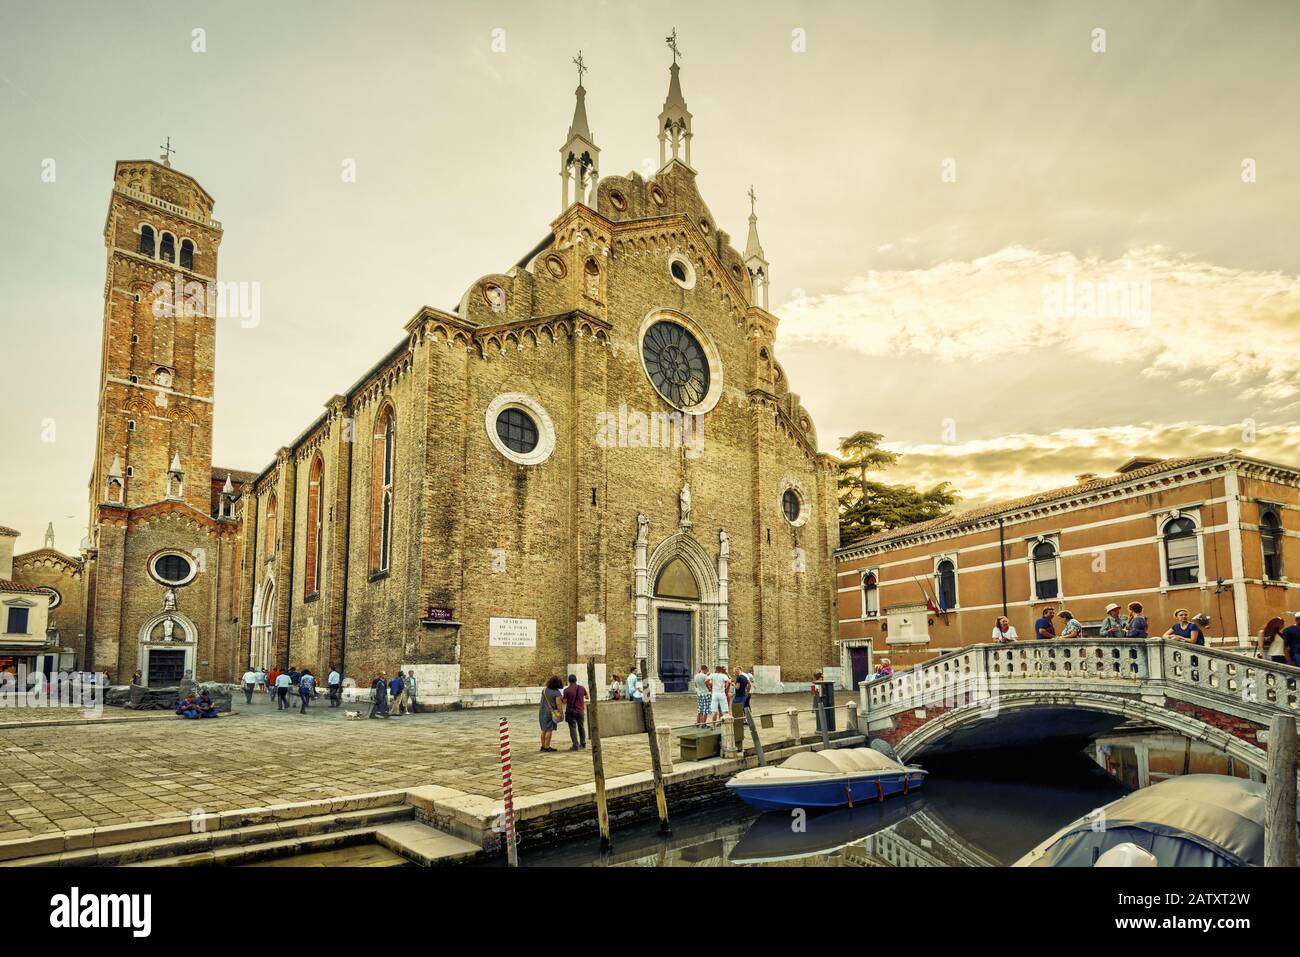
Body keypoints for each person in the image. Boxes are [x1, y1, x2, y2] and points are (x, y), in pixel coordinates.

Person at [562, 674, 588, 750]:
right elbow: (587, 697)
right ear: (576, 680)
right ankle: (583, 743)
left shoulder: (566, 690)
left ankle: (575, 745)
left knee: (572, 728)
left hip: (571, 711)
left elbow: (564, 701)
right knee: (581, 727)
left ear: (569, 681)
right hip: (580, 711)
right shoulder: (582, 688)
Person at [539, 675, 564, 752]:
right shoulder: (557, 692)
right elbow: (559, 705)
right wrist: (561, 714)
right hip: (551, 713)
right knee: (549, 729)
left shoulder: (544, 690)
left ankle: (543, 746)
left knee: (543, 729)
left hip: (542, 711)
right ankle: (547, 747)